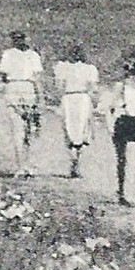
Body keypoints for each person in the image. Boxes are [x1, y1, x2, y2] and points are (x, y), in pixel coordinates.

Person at [0, 30, 44, 177]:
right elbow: (37, 78)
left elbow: (3, 74)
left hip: (14, 87)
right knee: (28, 129)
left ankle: (21, 166)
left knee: (18, 129)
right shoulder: (33, 55)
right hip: (28, 88)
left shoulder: (8, 54)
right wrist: (40, 97)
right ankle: (26, 164)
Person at [52, 44, 99, 180]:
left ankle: (73, 160)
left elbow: (59, 87)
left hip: (68, 98)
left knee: (69, 129)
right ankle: (77, 160)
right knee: (82, 129)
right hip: (83, 98)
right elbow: (93, 89)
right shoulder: (90, 69)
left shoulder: (62, 67)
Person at [108, 59, 135, 207]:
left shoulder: (125, 86)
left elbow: (111, 106)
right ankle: (126, 192)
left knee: (124, 160)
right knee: (128, 160)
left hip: (127, 120)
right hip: (129, 120)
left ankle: (125, 192)